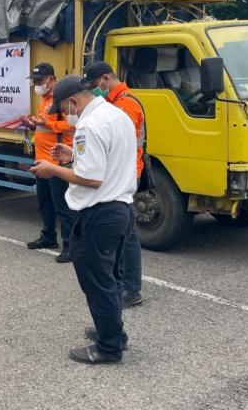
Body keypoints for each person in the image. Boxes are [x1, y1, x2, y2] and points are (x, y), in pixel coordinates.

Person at [30, 76, 137, 364]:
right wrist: (70, 156)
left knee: (97, 283)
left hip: (99, 214)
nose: (66, 116)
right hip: (122, 209)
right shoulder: (118, 115)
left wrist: (53, 168)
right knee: (111, 278)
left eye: (65, 109)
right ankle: (113, 332)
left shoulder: (88, 126)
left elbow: (91, 178)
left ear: (75, 101)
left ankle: (108, 347)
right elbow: (107, 159)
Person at [85, 61, 145, 308]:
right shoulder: (115, 103)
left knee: (127, 234)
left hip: (126, 174)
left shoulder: (126, 105)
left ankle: (131, 288)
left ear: (105, 80)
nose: (93, 90)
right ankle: (123, 285)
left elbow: (120, 143)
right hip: (122, 173)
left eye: (93, 85)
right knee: (124, 232)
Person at [20, 62, 76, 263]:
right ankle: (49, 236)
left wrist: (47, 123)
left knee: (62, 204)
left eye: (40, 81)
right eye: (34, 81)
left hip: (57, 162)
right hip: (42, 159)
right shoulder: (44, 99)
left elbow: (71, 125)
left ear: (52, 79)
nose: (37, 85)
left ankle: (70, 244)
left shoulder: (63, 99)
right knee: (44, 201)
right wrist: (34, 124)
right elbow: (45, 129)